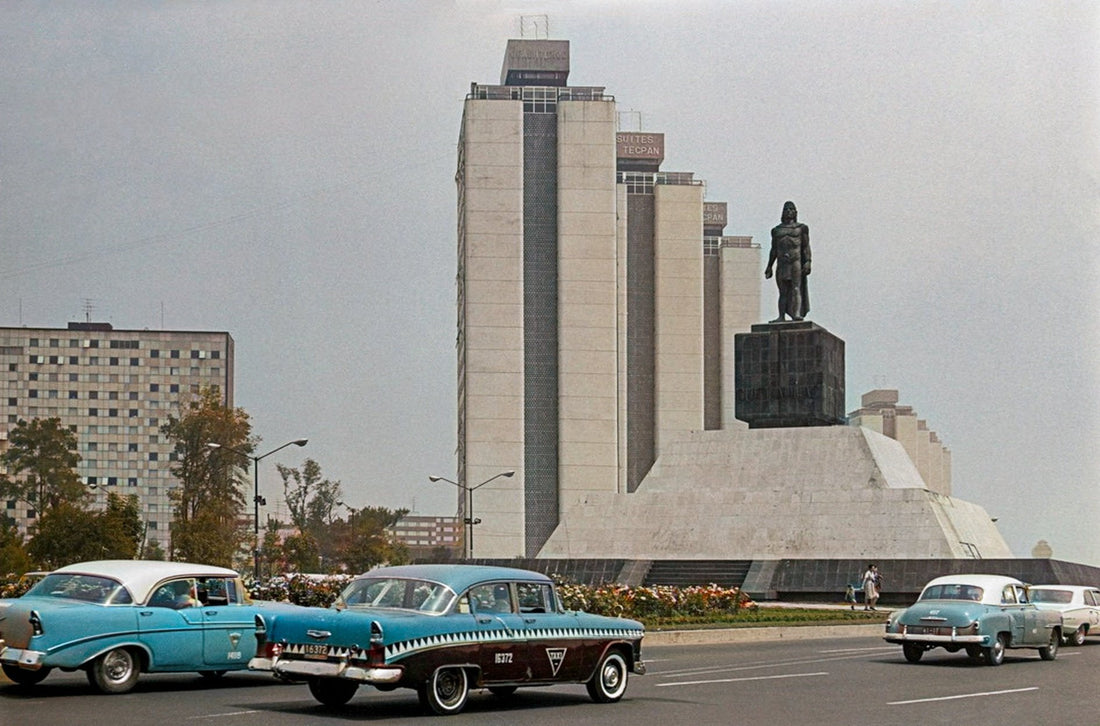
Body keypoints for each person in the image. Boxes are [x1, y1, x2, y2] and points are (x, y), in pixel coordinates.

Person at [764, 201, 811, 322]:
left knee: (796, 288)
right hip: (782, 264)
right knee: (782, 291)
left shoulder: (801, 228)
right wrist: (769, 266)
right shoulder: (776, 230)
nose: (789, 211)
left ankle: (796, 314)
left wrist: (808, 261)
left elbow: (805, 247)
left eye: (791, 209)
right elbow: (774, 249)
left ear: (795, 212)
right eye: (786, 209)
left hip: (795, 262)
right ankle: (781, 316)